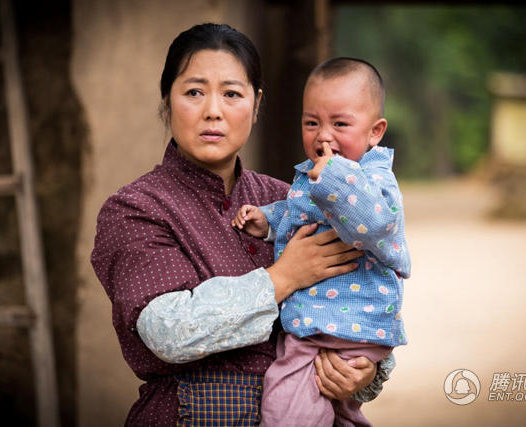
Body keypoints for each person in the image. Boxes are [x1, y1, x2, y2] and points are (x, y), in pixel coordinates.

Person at [91, 23, 395, 427]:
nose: (212, 111)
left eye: (232, 94)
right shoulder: (136, 210)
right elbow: (168, 332)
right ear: (167, 101)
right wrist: (283, 277)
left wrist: (363, 372)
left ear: (256, 105)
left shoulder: (293, 198)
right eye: (194, 92)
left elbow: (358, 293)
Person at [232, 57, 410, 426]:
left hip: (342, 326)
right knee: (339, 412)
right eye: (311, 123)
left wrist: (332, 175)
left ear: (375, 132)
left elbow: (373, 223)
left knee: (285, 406)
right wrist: (268, 219)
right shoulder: (315, 176)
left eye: (340, 124)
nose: (323, 135)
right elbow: (304, 214)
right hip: (329, 326)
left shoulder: (373, 179)